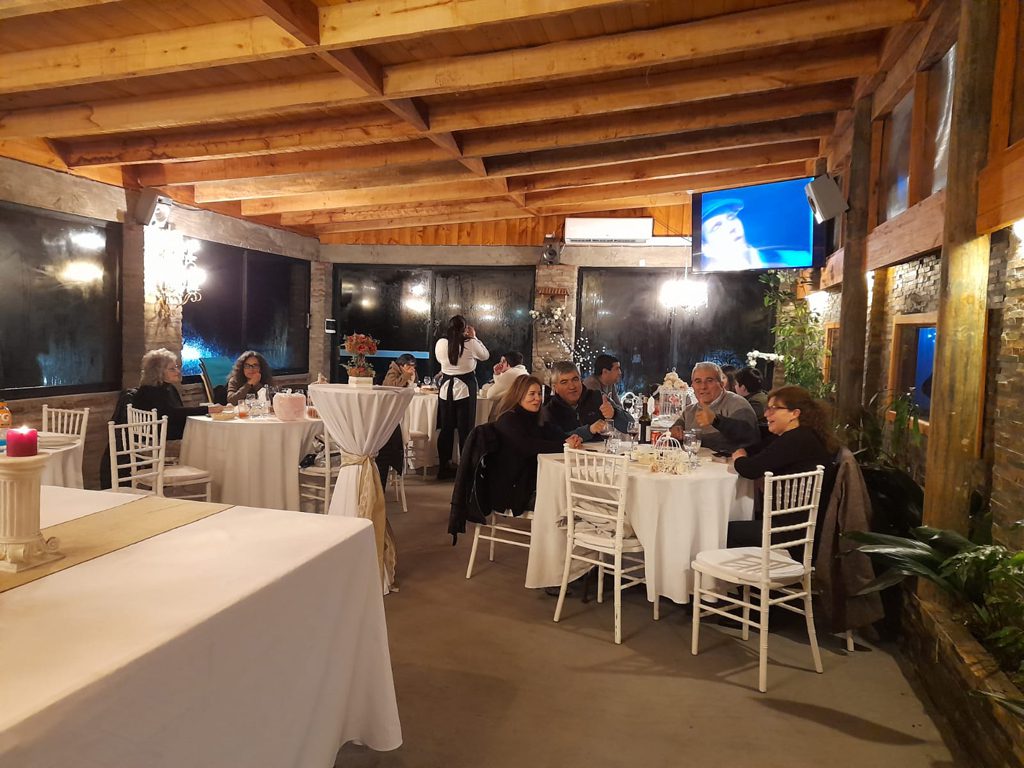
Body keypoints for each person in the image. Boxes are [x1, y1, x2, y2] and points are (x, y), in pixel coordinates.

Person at [727, 386, 838, 550]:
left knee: (726, 531)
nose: (766, 414)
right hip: (798, 525)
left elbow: (750, 469)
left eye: (773, 409)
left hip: (789, 531)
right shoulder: (803, 435)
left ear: (795, 413)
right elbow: (759, 452)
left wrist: (738, 458)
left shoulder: (796, 440)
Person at [490, 375, 583, 517]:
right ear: (519, 395)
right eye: (532, 394)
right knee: (569, 500)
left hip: (532, 482)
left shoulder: (534, 418)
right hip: (514, 489)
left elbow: (554, 434)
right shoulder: (508, 419)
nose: (538, 398)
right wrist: (564, 445)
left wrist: (571, 439)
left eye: (539, 394)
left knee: (574, 495)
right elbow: (528, 446)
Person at [434, 315, 489, 479]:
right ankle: (466, 469)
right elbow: (485, 355)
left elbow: (440, 360)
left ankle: (443, 467)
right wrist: (475, 337)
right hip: (465, 389)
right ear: (465, 328)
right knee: (466, 431)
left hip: (446, 389)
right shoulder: (470, 343)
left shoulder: (441, 343)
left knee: (446, 430)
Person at [669, 361, 758, 453]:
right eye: (698, 381)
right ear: (692, 386)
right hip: (693, 461)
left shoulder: (737, 404)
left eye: (709, 380)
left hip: (728, 461)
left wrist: (715, 420)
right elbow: (674, 434)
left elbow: (748, 435)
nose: (703, 386)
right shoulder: (689, 411)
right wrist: (674, 432)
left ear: (722, 384)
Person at [542, 361, 628, 441]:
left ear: (581, 381)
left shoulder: (598, 397)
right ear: (555, 388)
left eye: (575, 379)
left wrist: (614, 414)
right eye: (564, 382)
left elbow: (630, 426)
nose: (572, 386)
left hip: (601, 451)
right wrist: (589, 430)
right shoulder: (549, 409)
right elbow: (553, 440)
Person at [133, 348, 208, 440]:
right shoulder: (149, 391)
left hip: (168, 431)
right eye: (172, 369)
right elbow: (171, 414)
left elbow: (178, 413)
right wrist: (206, 409)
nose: (178, 371)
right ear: (158, 372)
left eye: (176, 367)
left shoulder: (169, 387)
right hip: (158, 438)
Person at [378, 353, 417, 489]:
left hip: (400, 408)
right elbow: (393, 386)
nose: (412, 368)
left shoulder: (408, 372)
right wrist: (406, 375)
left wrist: (411, 375)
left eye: (413, 366)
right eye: (409, 366)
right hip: (390, 411)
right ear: (401, 365)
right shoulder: (392, 371)